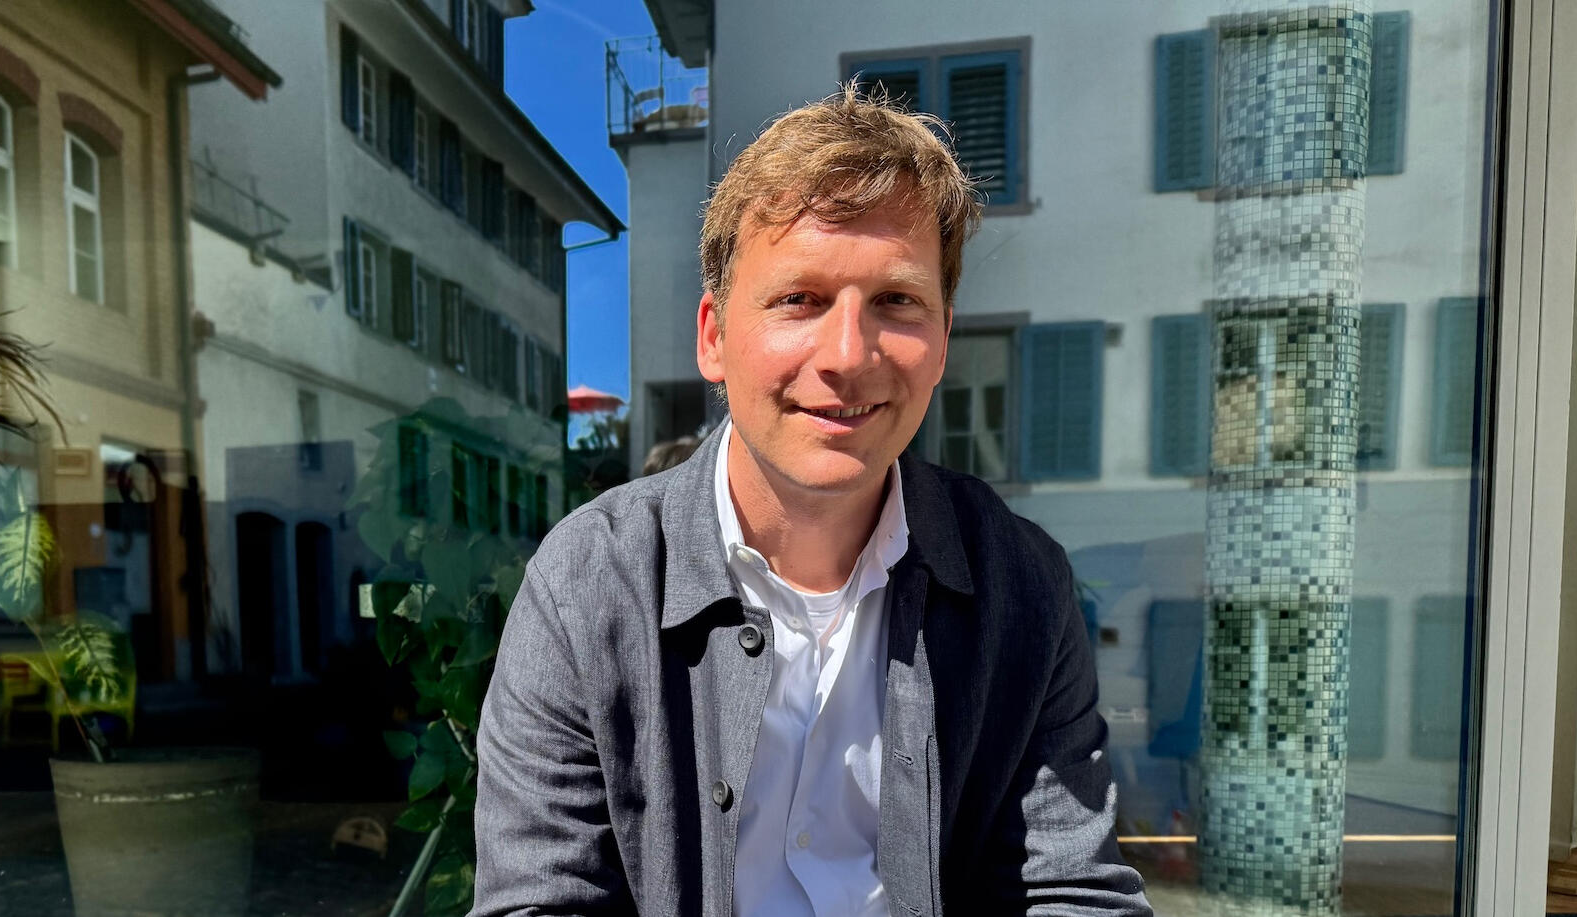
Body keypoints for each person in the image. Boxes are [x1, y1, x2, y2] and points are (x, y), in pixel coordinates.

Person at [471, 84, 1151, 917]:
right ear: (714, 336)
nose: (847, 355)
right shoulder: (589, 584)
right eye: (799, 299)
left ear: (942, 341)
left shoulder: (1022, 584)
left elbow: (1072, 892)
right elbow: (541, 902)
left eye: (896, 301)